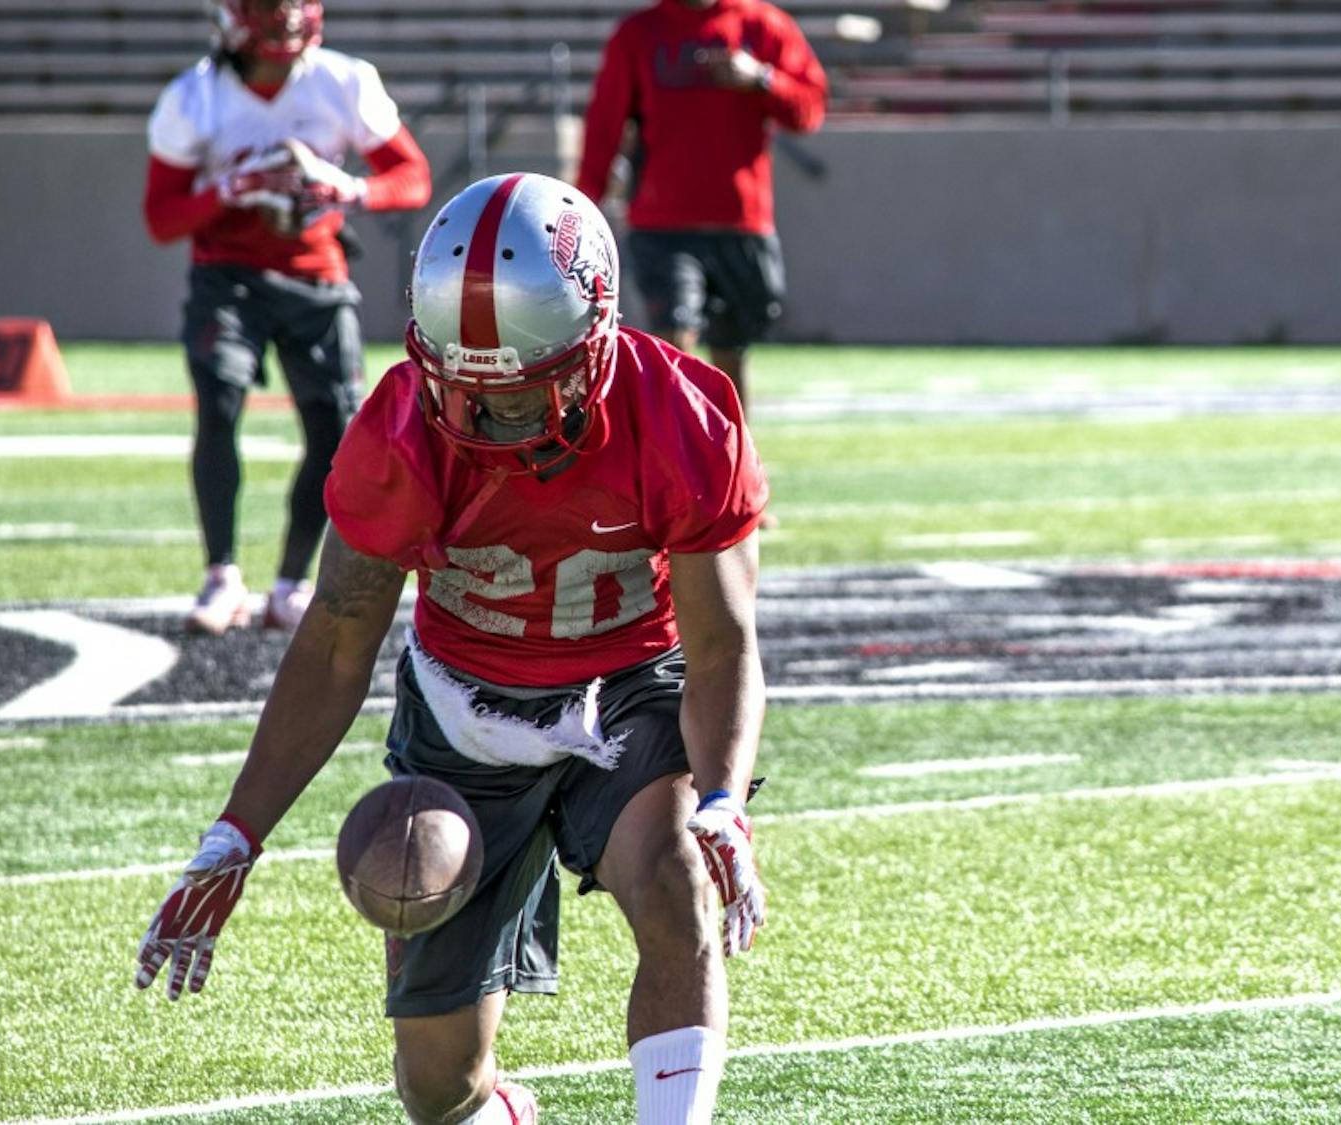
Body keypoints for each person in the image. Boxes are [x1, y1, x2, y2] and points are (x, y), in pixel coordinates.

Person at [134, 173, 770, 1125]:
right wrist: (238, 832)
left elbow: (721, 646)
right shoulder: (401, 429)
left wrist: (722, 798)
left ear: (593, 338)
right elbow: (339, 639)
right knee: (437, 1086)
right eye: (463, 390)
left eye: (517, 395)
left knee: (679, 877)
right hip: (465, 708)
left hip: (628, 688)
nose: (483, 421)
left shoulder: (681, 414)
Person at [143, 0, 431, 635]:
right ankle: (222, 575)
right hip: (228, 275)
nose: (287, 15)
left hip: (317, 273)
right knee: (219, 406)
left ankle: (291, 582)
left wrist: (347, 188)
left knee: (335, 430)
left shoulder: (342, 80)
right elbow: (161, 218)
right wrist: (228, 191)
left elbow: (412, 177)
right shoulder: (195, 97)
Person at [575, 0, 827, 418]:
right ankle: (677, 458)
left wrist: (761, 77)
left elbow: (809, 110)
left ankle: (733, 461)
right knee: (674, 340)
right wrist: (585, 202)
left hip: (741, 221)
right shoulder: (639, 34)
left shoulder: (763, 26)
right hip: (663, 222)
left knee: (732, 350)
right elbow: (605, 125)